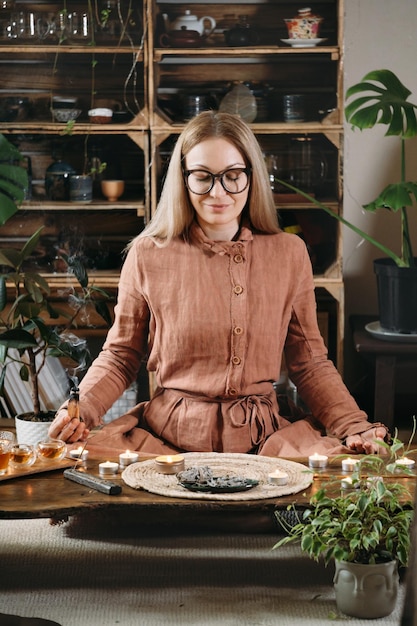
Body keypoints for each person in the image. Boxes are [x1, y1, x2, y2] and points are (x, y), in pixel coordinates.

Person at [49, 111, 388, 457]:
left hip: (266, 442)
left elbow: (310, 362)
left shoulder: (290, 253)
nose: (218, 191)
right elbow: (121, 356)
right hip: (167, 444)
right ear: (183, 179)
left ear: (251, 177)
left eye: (233, 176)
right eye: (202, 177)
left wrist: (353, 425)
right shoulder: (147, 254)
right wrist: (79, 412)